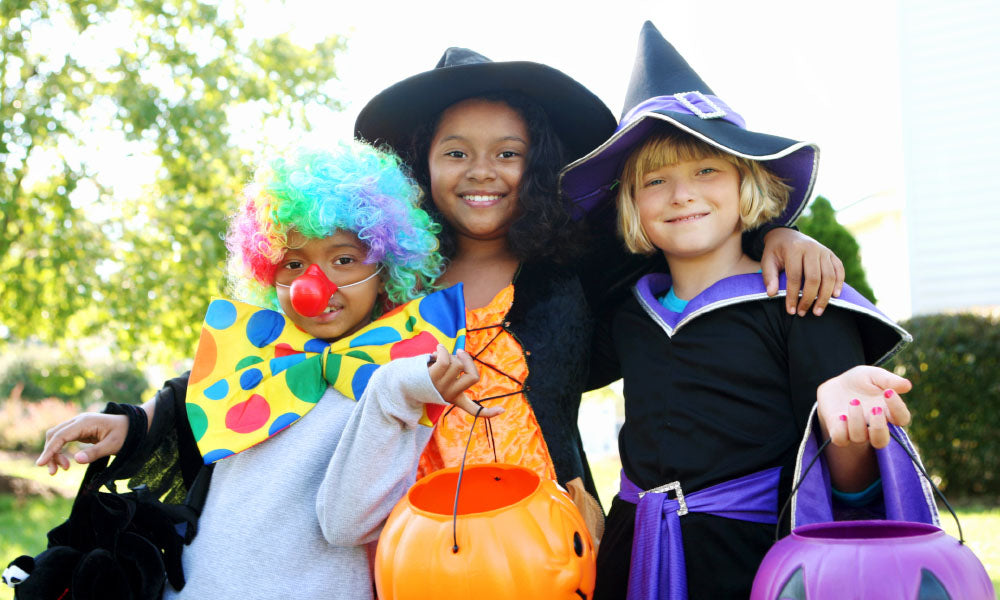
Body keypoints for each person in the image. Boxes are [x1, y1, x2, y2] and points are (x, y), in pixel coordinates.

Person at [353, 47, 847, 543]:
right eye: (456, 153)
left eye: (508, 153)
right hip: (411, 538)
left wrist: (777, 235)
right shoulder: (388, 281)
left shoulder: (578, 266)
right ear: (421, 165)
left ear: (539, 165)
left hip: (552, 541)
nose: (482, 171)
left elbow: (683, 236)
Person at [562, 22, 939, 599]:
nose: (682, 193)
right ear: (632, 206)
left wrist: (851, 431)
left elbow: (847, 484)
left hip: (752, 563)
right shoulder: (629, 314)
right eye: (655, 180)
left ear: (748, 183)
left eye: (707, 169)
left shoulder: (803, 302)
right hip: (634, 555)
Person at [32, 141, 500, 599]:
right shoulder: (255, 360)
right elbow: (190, 414)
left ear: (386, 267)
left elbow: (346, 524)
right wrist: (131, 423)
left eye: (343, 259)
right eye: (293, 263)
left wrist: (394, 391)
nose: (313, 286)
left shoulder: (398, 379)